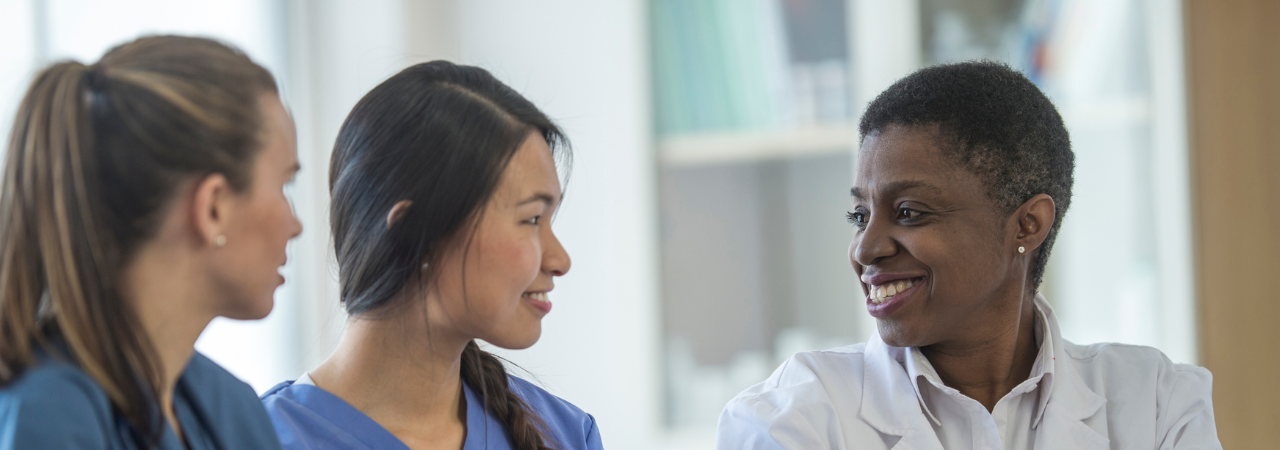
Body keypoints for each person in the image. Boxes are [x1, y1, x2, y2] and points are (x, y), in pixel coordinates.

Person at [716, 61, 1221, 449]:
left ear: (1028, 224)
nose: (865, 247)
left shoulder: (1154, 402)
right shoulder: (792, 417)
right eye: (860, 215)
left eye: (909, 212)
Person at [261, 61, 603, 450]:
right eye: (531, 219)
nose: (560, 260)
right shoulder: (251, 439)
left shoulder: (567, 434)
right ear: (413, 234)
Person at [0, 35, 300, 449]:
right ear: (213, 207)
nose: (296, 224)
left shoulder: (235, 408)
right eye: (284, 183)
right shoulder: (47, 418)